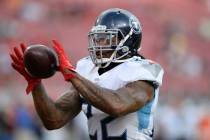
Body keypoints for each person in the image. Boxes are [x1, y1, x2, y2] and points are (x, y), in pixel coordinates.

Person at [10, 8, 164, 140]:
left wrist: (73, 75)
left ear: (127, 41)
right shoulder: (87, 68)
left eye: (105, 38)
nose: (98, 44)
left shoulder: (144, 70)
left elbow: (117, 106)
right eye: (97, 38)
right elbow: (54, 119)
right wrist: (36, 83)